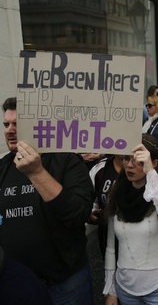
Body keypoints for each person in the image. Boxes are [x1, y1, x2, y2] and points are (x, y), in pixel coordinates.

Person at [0, 97, 94, 304]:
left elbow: (79, 214)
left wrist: (37, 173)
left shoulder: (66, 160)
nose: (9, 130)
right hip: (18, 288)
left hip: (65, 285)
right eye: (6, 124)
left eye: (17, 124)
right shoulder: (3, 168)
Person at [102, 134, 158, 305]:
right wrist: (111, 289)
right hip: (125, 289)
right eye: (126, 159)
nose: (129, 165)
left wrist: (152, 175)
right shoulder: (117, 196)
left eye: (138, 161)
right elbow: (111, 246)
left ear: (153, 164)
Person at [89, 154, 123, 259]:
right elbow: (90, 199)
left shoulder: (148, 167)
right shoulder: (100, 169)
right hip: (109, 235)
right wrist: (92, 213)